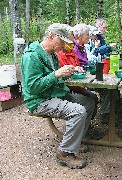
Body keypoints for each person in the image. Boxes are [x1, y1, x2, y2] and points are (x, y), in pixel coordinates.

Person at [21, 23, 96, 169]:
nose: (63, 46)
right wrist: (56, 74)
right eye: (62, 41)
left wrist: (70, 71)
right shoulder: (32, 56)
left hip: (54, 94)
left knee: (89, 101)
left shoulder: (52, 54)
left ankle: (75, 141)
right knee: (78, 111)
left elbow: (55, 79)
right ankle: (65, 153)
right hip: (39, 100)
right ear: (51, 36)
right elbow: (33, 87)